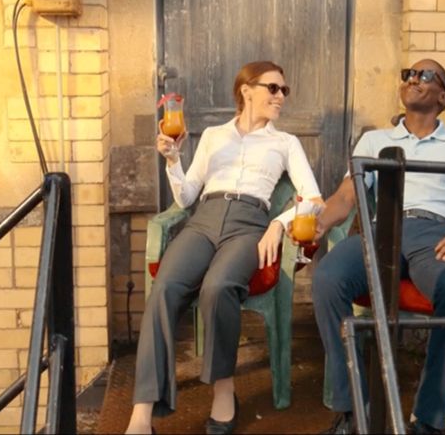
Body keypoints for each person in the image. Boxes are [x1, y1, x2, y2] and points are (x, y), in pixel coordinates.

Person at [126, 61, 324, 435]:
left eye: (284, 90)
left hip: (249, 225)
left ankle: (223, 389)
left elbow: (314, 199)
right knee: (164, 288)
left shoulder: (285, 143)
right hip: (204, 219)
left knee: (219, 287)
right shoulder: (214, 135)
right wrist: (173, 160)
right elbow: (186, 197)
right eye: (273, 88)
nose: (281, 96)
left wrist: (278, 223)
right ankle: (142, 414)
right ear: (246, 90)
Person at [308, 58, 445, 434]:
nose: (414, 79)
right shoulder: (374, 140)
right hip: (383, 230)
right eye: (409, 74)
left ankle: (427, 417)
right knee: (327, 278)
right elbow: (346, 197)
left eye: (425, 75)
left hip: (437, 234)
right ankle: (353, 409)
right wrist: (321, 222)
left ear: (443, 95)